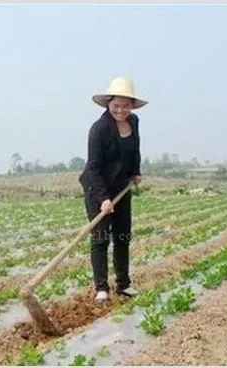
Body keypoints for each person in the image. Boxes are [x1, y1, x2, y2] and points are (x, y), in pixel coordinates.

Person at [78, 77, 146, 302]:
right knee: (100, 238)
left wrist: (135, 172)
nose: (121, 110)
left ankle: (124, 284)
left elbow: (135, 150)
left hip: (121, 188)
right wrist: (103, 199)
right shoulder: (99, 129)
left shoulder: (134, 122)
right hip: (97, 188)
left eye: (125, 106)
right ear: (108, 103)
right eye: (116, 105)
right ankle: (101, 288)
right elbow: (94, 167)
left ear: (132, 106)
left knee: (123, 237)